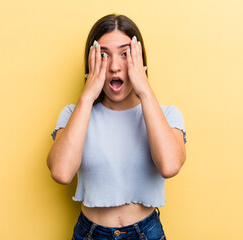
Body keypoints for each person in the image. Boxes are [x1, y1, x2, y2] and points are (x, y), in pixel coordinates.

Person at [47, 13, 187, 240]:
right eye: (103, 55)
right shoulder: (74, 114)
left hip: (146, 233)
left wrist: (144, 89)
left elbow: (170, 166)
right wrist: (87, 96)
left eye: (125, 54)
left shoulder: (168, 115)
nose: (114, 66)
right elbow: (61, 173)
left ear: (139, 60)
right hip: (90, 234)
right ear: (90, 62)